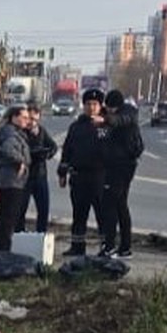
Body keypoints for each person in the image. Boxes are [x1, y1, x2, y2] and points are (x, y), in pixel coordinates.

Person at [57, 88, 111, 256]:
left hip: (99, 176)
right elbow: (67, 150)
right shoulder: (76, 127)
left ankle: (106, 247)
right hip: (78, 176)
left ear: (100, 106)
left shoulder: (106, 126)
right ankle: (77, 246)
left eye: (95, 104)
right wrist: (62, 172)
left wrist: (103, 125)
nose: (91, 107)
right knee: (79, 214)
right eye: (88, 104)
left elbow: (110, 148)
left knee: (102, 214)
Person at [99, 88, 145, 257]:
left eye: (111, 108)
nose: (110, 110)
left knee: (110, 204)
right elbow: (104, 136)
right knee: (120, 205)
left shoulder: (128, 113)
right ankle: (124, 246)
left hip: (123, 165)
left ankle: (110, 245)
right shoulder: (113, 115)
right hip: (114, 164)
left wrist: (105, 119)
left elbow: (118, 121)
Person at [0, 104, 31, 252]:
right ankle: (3, 250)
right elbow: (8, 149)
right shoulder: (10, 133)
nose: (27, 120)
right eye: (24, 117)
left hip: (13, 180)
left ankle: (2, 248)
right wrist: (20, 161)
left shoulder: (15, 132)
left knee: (7, 216)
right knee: (8, 217)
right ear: (14, 117)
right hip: (11, 180)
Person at [18, 104, 59, 235]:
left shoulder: (41, 131)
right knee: (20, 208)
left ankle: (41, 234)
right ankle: (19, 233)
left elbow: (53, 146)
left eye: (35, 119)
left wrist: (46, 154)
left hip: (40, 175)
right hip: (24, 177)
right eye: (30, 118)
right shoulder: (20, 132)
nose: (32, 122)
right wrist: (32, 153)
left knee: (43, 209)